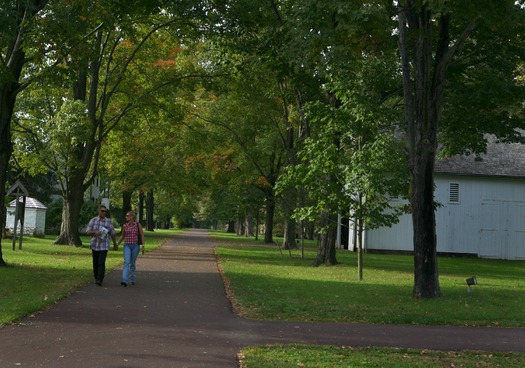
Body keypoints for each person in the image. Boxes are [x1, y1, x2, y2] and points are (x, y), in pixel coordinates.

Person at [86, 205, 118, 286]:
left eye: (105, 211)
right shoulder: (93, 220)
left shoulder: (108, 221)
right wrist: (95, 232)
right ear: (99, 211)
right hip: (95, 245)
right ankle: (96, 277)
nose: (104, 212)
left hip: (104, 245)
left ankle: (100, 279)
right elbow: (87, 232)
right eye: (102, 211)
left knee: (101, 262)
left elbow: (113, 233)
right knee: (95, 262)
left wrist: (115, 244)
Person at [116, 211, 145, 287]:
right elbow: (122, 236)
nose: (126, 217)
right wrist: (117, 244)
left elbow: (142, 235)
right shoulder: (125, 225)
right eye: (126, 216)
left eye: (127, 216)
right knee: (126, 262)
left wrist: (143, 245)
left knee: (132, 263)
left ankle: (132, 279)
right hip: (127, 246)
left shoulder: (138, 225)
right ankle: (124, 280)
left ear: (132, 217)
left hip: (135, 246)